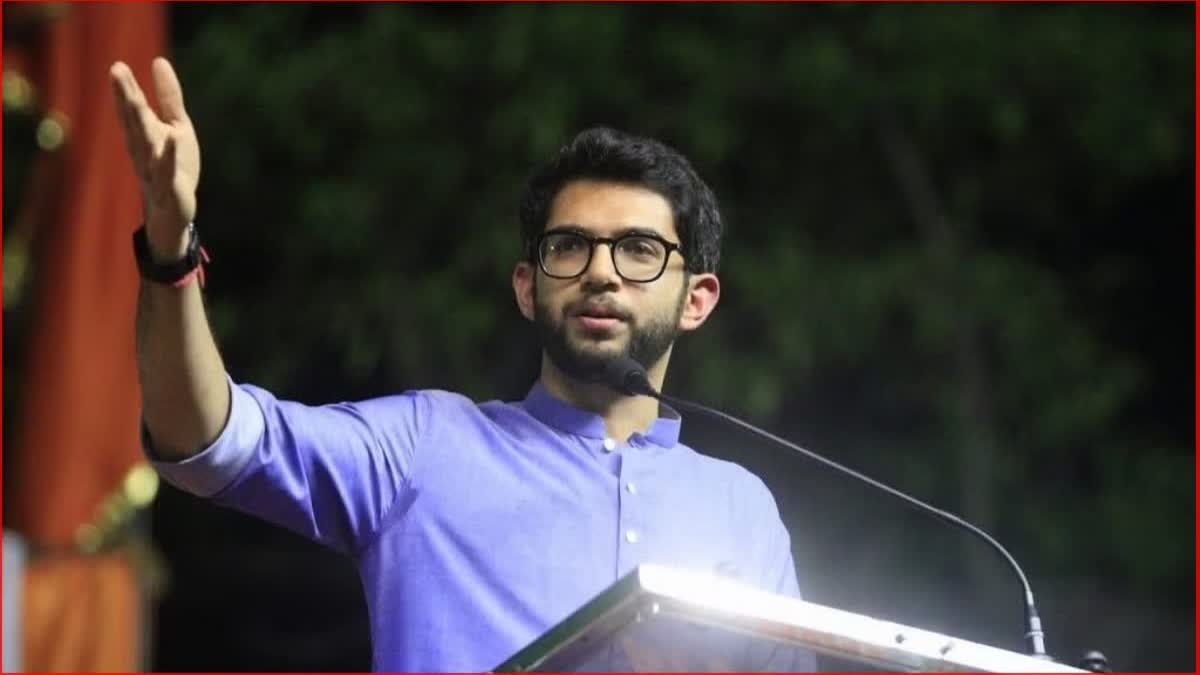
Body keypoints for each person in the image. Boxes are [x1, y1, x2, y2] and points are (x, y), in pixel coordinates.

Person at [110, 57, 815, 672]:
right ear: (526, 287)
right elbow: (207, 439)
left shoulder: (741, 508)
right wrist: (171, 250)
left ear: (697, 299)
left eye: (638, 250)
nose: (600, 271)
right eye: (569, 246)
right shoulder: (427, 448)